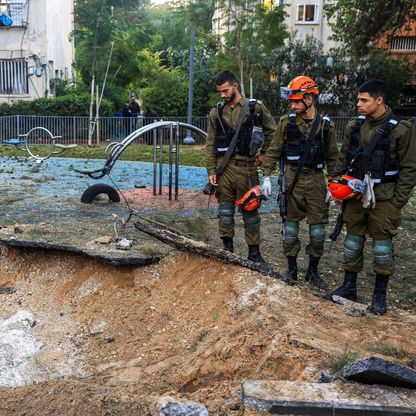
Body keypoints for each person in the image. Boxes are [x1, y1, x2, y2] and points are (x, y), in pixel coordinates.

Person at [324, 79, 416, 314]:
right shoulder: (354, 126)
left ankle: (379, 295)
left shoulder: (401, 129)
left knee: (382, 248)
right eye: (358, 99)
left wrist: (398, 202)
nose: (358, 104)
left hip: (384, 197)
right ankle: (349, 287)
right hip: (354, 195)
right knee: (352, 242)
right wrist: (334, 183)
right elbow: (343, 158)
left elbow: (409, 168)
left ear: (379, 100)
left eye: (363, 100)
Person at [260, 75, 339, 288]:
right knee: (291, 229)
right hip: (292, 178)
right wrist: (266, 176)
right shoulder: (286, 123)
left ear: (309, 99)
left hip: (316, 181)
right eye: (292, 101)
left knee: (317, 232)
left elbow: (333, 157)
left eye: (297, 101)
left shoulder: (325, 126)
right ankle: (292, 269)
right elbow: (274, 150)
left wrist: (334, 182)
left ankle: (313, 271)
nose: (293, 105)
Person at [206, 70, 277, 263]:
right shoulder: (216, 112)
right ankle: (228, 250)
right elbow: (210, 144)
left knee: (251, 211)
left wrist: (264, 153)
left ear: (235, 86)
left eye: (226, 90)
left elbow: (273, 132)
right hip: (224, 169)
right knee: (225, 212)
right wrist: (211, 170)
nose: (223, 95)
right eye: (220, 91)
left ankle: (254, 253)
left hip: (247, 168)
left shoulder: (255, 108)